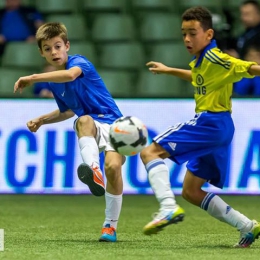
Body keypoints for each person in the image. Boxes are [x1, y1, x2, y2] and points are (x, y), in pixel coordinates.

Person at [140, 6, 260, 248]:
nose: (187, 38)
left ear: (208, 34)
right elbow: (197, 77)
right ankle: (246, 225)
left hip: (210, 122)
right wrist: (168, 70)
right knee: (192, 191)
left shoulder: (218, 58)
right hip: (221, 127)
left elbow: (250, 68)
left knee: (149, 152)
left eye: (192, 33)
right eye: (184, 33)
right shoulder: (203, 60)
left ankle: (167, 207)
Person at [13, 22, 124, 243]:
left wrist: (33, 78)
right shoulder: (55, 84)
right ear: (41, 52)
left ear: (67, 46)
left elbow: (71, 75)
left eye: (57, 46)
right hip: (90, 123)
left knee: (113, 168)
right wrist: (42, 120)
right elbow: (67, 111)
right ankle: (94, 170)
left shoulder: (79, 62)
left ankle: (110, 225)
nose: (54, 52)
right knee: (82, 119)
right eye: (47, 48)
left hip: (115, 124)